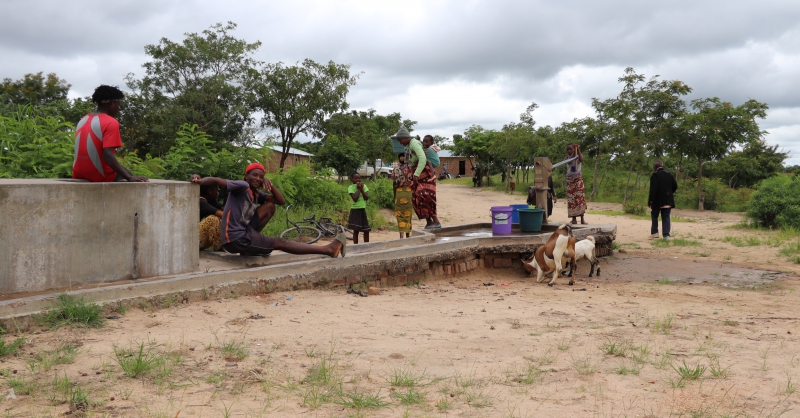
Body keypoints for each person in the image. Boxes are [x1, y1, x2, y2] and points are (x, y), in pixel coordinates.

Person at [192, 163, 345, 257]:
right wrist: (199, 180)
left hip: (244, 232)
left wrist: (270, 185)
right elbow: (216, 180)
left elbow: (280, 201)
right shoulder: (242, 186)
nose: (258, 179)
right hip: (235, 239)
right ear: (246, 176)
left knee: (269, 206)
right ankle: (328, 250)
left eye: (261, 177)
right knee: (281, 242)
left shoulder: (256, 194)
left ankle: (253, 242)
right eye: (254, 175)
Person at [72, 85, 148, 182]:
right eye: (118, 104)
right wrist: (129, 177)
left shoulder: (83, 119)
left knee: (125, 171)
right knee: (128, 175)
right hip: (99, 175)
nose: (119, 108)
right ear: (111, 104)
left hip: (78, 173)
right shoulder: (111, 122)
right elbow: (107, 155)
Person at [399, 130, 441, 229]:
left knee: (426, 196)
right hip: (417, 172)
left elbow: (422, 159)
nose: (400, 143)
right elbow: (413, 159)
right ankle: (429, 221)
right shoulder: (410, 145)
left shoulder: (414, 144)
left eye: (400, 140)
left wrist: (416, 174)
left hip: (424, 174)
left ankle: (436, 221)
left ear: (405, 138)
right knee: (417, 198)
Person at [648, 158, 678, 240]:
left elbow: (653, 189)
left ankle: (655, 232)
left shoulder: (655, 174)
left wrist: (650, 201)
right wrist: (670, 193)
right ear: (662, 165)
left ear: (655, 166)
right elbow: (675, 185)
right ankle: (666, 235)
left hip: (657, 200)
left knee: (654, 215)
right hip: (667, 200)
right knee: (666, 217)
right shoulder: (669, 174)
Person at [197, 174, 224, 251]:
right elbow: (222, 215)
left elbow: (225, 209)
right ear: (210, 191)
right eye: (217, 190)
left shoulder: (210, 201)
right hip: (192, 239)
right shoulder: (200, 202)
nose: (218, 193)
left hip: (199, 239)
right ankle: (219, 249)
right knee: (213, 220)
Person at [564, 143, 587, 224]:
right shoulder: (567, 158)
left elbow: (581, 160)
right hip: (570, 180)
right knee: (571, 200)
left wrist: (578, 150)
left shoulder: (578, 156)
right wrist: (574, 152)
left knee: (580, 199)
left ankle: (582, 219)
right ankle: (574, 219)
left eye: (571, 149)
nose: (569, 151)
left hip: (578, 180)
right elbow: (570, 160)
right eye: (568, 149)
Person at [392, 153, 413, 239]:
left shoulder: (396, 169)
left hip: (399, 193)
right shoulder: (410, 168)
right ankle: (408, 235)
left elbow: (394, 184)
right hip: (408, 192)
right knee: (408, 215)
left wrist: (394, 196)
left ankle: (401, 236)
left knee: (399, 215)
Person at [347, 173, 371, 244]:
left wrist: (362, 189)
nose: (358, 180)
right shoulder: (351, 187)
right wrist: (359, 190)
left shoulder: (364, 186)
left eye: (359, 178)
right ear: (352, 180)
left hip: (362, 209)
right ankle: (355, 246)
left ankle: (366, 245)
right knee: (356, 230)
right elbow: (355, 199)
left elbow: (366, 198)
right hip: (355, 210)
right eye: (355, 178)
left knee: (366, 230)